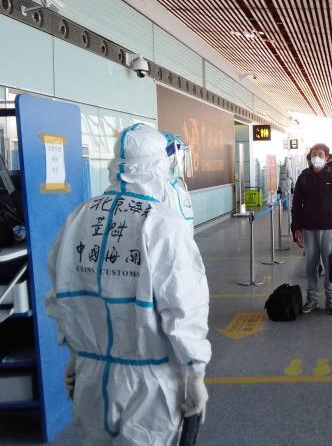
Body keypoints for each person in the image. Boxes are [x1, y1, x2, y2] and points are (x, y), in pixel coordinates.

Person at [46, 124, 211, 445]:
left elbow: (61, 295)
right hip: (150, 383)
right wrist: (195, 371)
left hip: (92, 378)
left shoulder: (79, 218)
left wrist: (75, 354)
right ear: (157, 167)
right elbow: (183, 307)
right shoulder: (163, 224)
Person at [292, 143, 332, 315]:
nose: (316, 157)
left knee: (330, 264)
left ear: (327, 157)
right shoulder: (304, 177)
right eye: (313, 154)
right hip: (309, 227)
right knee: (311, 264)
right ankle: (312, 299)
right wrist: (296, 228)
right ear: (310, 157)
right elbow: (296, 205)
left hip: (330, 228)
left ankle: (331, 298)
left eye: (320, 154)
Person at [161, 132, 195, 234]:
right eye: (178, 154)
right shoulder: (160, 185)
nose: (181, 159)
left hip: (185, 236)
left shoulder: (178, 183)